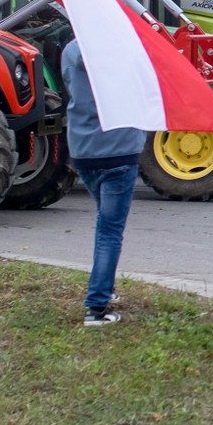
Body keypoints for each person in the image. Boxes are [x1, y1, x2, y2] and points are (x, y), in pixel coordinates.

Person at [63, 41, 143, 326]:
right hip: (120, 150)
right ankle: (96, 307)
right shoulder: (126, 46)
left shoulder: (71, 50)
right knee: (110, 231)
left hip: (83, 149)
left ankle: (104, 287)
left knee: (104, 223)